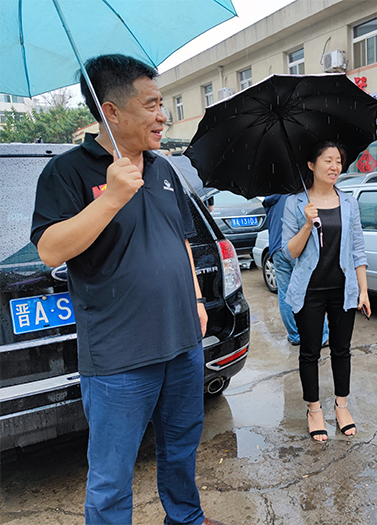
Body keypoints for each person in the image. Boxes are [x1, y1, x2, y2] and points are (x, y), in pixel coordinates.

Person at [30, 54, 225, 525]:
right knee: (111, 475)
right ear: (111, 111)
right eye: (151, 104)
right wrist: (112, 197)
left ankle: (185, 518)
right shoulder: (67, 172)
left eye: (162, 103)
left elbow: (180, 238)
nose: (163, 115)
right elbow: (50, 250)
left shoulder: (162, 169)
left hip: (182, 342)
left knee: (181, 449)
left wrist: (198, 299)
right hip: (120, 357)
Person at [281, 142, 370, 442]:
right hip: (309, 291)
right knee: (310, 352)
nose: (335, 167)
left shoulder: (349, 202)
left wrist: (363, 290)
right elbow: (289, 253)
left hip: (343, 289)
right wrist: (307, 224)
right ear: (311, 164)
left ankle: (341, 406)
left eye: (339, 161)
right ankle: (314, 409)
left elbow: (358, 249)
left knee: (341, 350)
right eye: (328, 160)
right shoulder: (295, 203)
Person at [262, 194, 328, 347]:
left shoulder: (272, 199)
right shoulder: (302, 197)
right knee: (311, 292)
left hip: (277, 249)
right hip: (298, 249)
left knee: (285, 294)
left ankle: (295, 335)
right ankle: (321, 337)